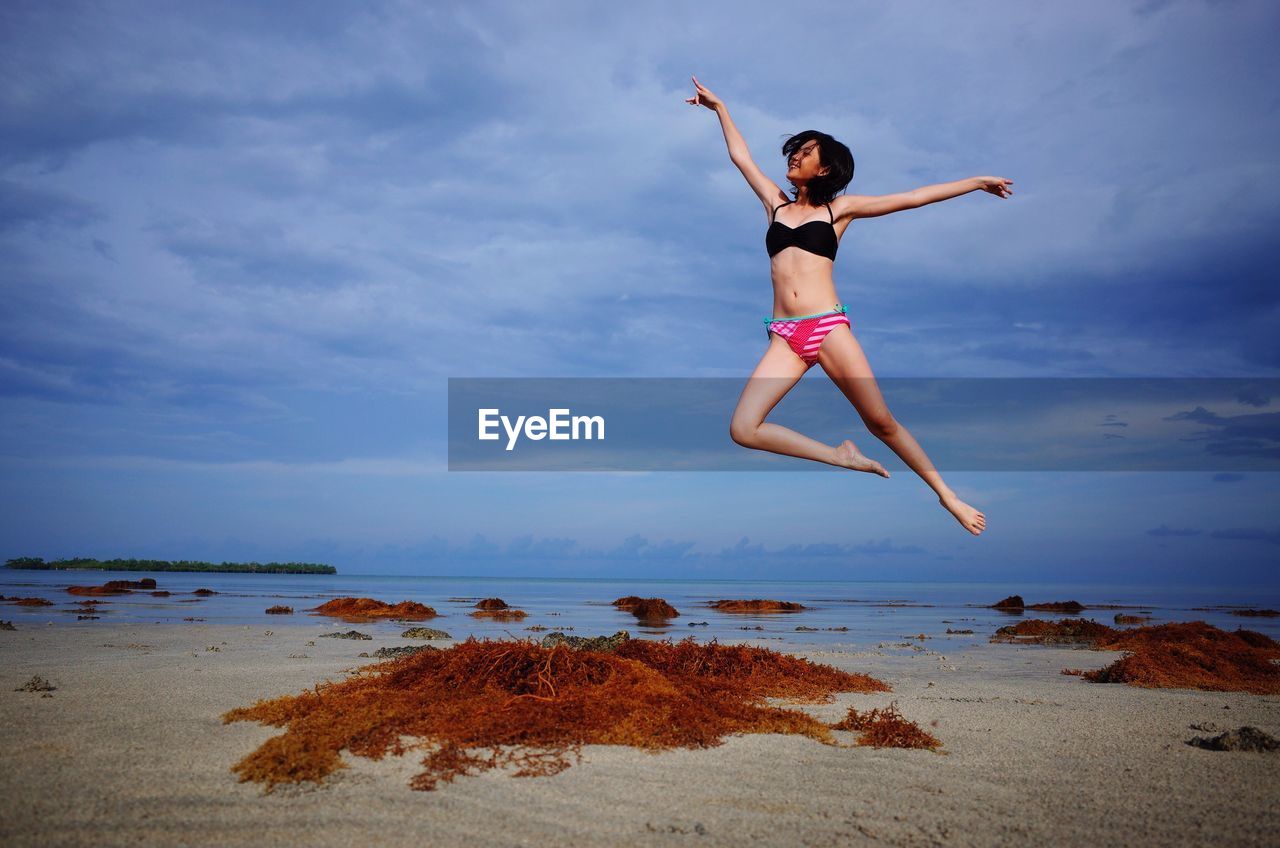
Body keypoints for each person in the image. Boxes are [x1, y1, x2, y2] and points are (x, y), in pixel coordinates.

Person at [686, 75, 1012, 535]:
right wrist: (720, 108)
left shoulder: (840, 211)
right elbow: (740, 157)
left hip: (825, 326)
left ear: (824, 170)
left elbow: (913, 198)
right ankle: (838, 456)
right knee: (743, 428)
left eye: (806, 151)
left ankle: (948, 496)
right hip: (785, 335)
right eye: (795, 150)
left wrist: (976, 182)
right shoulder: (775, 206)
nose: (795, 155)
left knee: (880, 421)